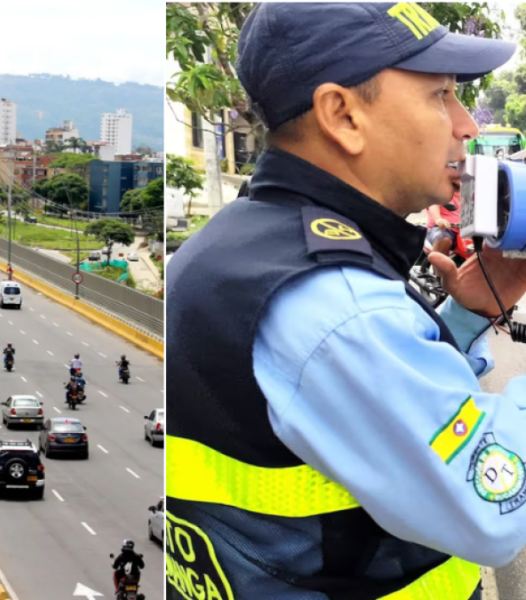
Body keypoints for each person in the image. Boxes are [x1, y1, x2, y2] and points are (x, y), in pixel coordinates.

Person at [166, 4, 526, 598]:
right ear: (342, 114)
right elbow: (497, 506)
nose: (465, 125)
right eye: (440, 96)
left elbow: (359, 406)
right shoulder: (337, 309)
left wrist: (465, 315)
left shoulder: (240, 242)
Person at [426, 190, 462, 255]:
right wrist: (439, 220)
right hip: (442, 228)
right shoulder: (441, 191)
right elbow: (434, 205)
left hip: (463, 230)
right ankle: (438, 264)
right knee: (444, 239)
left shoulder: (468, 194)